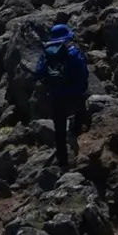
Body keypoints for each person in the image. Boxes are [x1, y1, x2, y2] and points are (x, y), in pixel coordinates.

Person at [34, 22, 89, 169]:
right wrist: (80, 88)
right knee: (81, 114)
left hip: (56, 96)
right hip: (74, 94)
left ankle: (63, 163)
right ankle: (80, 144)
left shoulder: (46, 54)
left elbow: (39, 72)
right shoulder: (72, 52)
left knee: (59, 130)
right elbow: (83, 72)